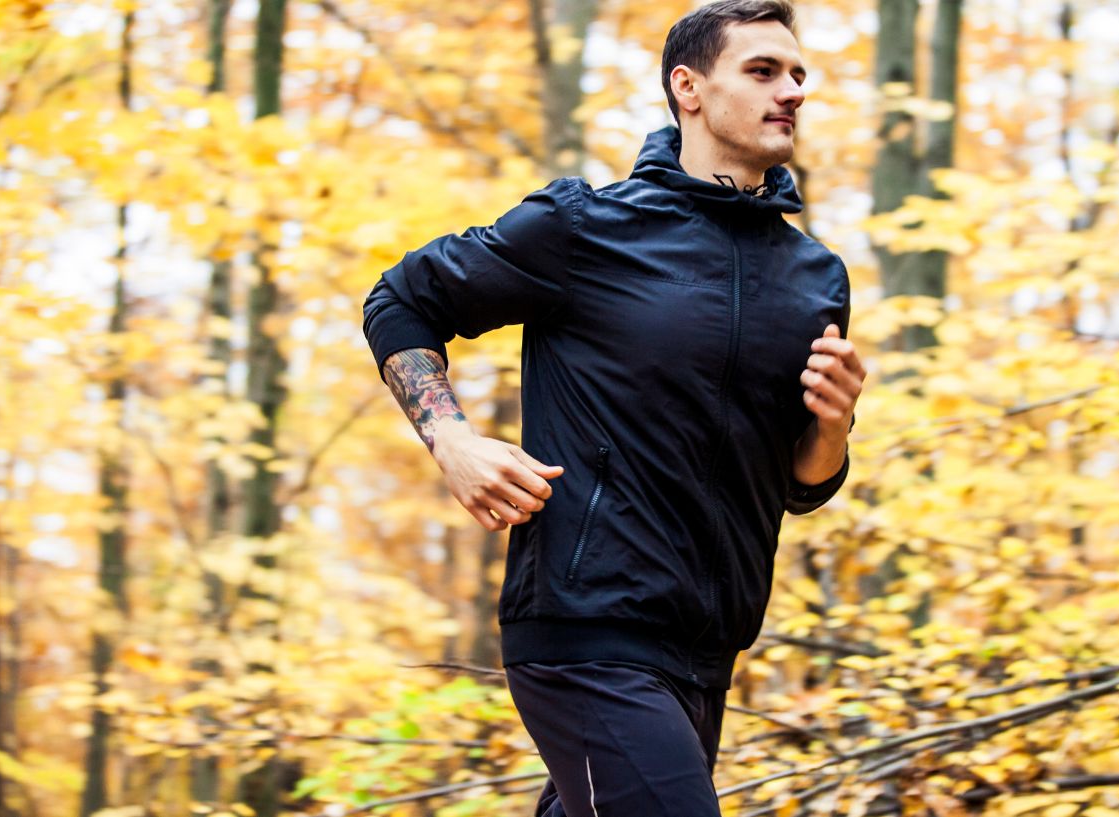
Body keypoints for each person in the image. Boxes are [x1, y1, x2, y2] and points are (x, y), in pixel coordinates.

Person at [361, 0, 865, 813]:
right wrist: (451, 439)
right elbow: (400, 301)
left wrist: (834, 426)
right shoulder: (585, 229)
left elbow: (800, 485)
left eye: (799, 74)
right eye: (764, 71)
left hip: (708, 647)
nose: (793, 91)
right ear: (689, 88)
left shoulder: (814, 277)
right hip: (584, 629)